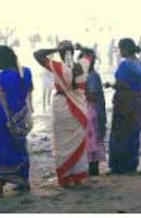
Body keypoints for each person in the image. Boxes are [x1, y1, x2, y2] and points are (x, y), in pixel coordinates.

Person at [34, 41, 88, 188]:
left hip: (62, 105)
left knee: (62, 142)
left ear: (60, 53)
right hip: (79, 106)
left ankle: (66, 177)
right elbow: (90, 53)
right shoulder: (82, 65)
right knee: (78, 141)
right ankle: (78, 177)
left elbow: (37, 54)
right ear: (72, 52)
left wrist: (56, 49)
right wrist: (79, 48)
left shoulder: (57, 66)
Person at [0, 45, 32, 197]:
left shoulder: (3, 77)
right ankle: (23, 181)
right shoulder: (25, 72)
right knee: (18, 149)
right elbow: (26, 93)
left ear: (2, 59)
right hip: (19, 119)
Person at [107, 38, 141, 175]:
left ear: (125, 49)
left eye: (120, 49)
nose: (119, 51)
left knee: (120, 132)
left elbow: (121, 84)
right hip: (138, 101)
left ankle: (119, 166)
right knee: (133, 131)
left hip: (125, 102)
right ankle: (131, 164)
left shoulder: (125, 65)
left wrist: (110, 85)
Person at [82, 48, 106, 177]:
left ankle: (92, 171)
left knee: (91, 141)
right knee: (93, 141)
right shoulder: (93, 75)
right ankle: (92, 170)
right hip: (92, 110)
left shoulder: (90, 76)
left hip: (90, 110)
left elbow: (91, 95)